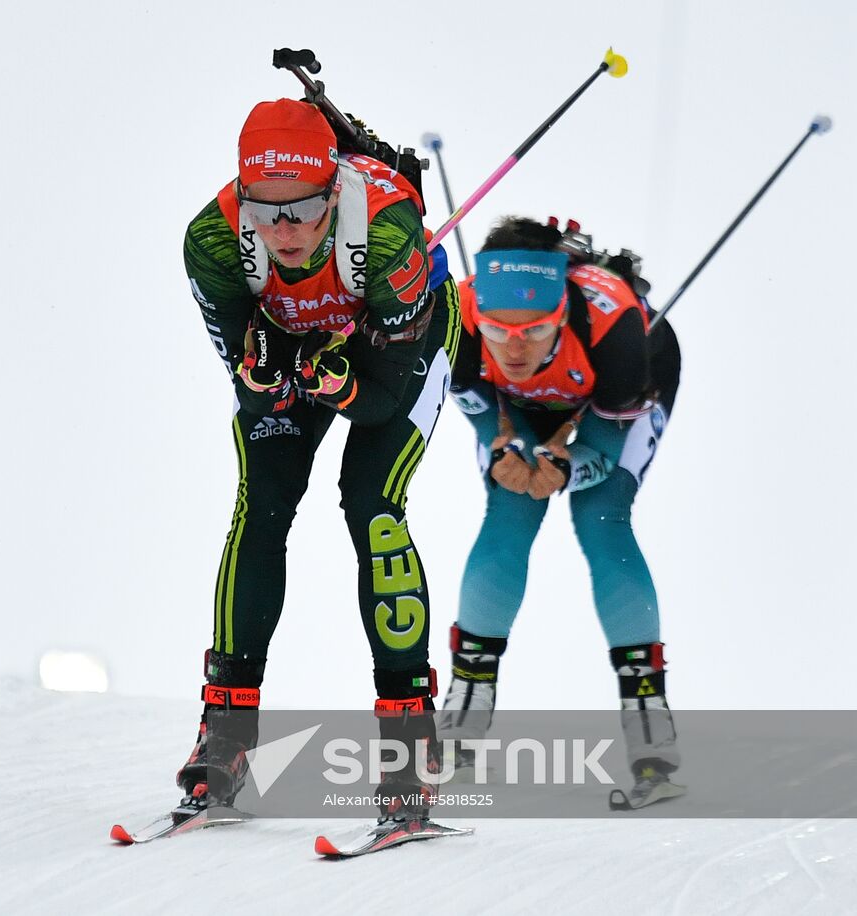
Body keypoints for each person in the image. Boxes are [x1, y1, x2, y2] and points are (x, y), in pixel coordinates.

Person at [176, 98, 460, 825]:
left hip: (398, 354)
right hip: (299, 338)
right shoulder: (212, 240)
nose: (284, 231)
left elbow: (381, 402)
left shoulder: (389, 235)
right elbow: (248, 379)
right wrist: (262, 371)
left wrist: (342, 381)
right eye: (264, 212)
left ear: (334, 191)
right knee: (262, 501)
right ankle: (226, 733)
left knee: (371, 500)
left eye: (301, 209)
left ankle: (408, 740)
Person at [440, 215, 684, 805]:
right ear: (479, 316)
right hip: (518, 406)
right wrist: (505, 446)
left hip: (612, 389)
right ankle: (461, 724)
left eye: (535, 329)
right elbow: (479, 404)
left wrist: (569, 467)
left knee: (602, 522)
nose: (515, 346)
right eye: (499, 330)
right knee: (509, 509)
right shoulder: (455, 322)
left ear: (561, 314)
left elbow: (599, 452)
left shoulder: (620, 338)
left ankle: (651, 732)